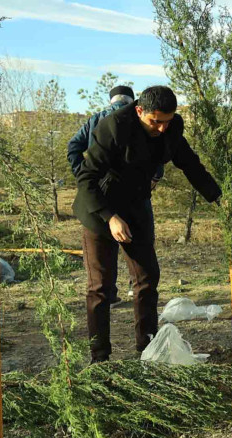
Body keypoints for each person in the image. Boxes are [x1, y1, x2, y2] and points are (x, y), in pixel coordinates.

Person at [73, 85, 221, 363]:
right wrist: (109, 217)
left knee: (147, 279)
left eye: (167, 121)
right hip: (99, 209)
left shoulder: (172, 127)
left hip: (135, 207)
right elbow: (86, 178)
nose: (162, 128)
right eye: (156, 121)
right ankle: (100, 358)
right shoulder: (113, 127)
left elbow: (190, 164)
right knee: (101, 288)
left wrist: (218, 197)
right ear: (140, 110)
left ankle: (147, 352)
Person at [67, 86, 166, 305]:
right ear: (134, 102)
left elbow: (73, 146)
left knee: (102, 254)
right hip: (135, 195)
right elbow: (158, 155)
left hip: (99, 195)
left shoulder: (96, 119)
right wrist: (154, 178)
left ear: (112, 100)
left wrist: (82, 174)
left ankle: (109, 294)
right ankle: (135, 288)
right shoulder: (143, 121)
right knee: (141, 254)